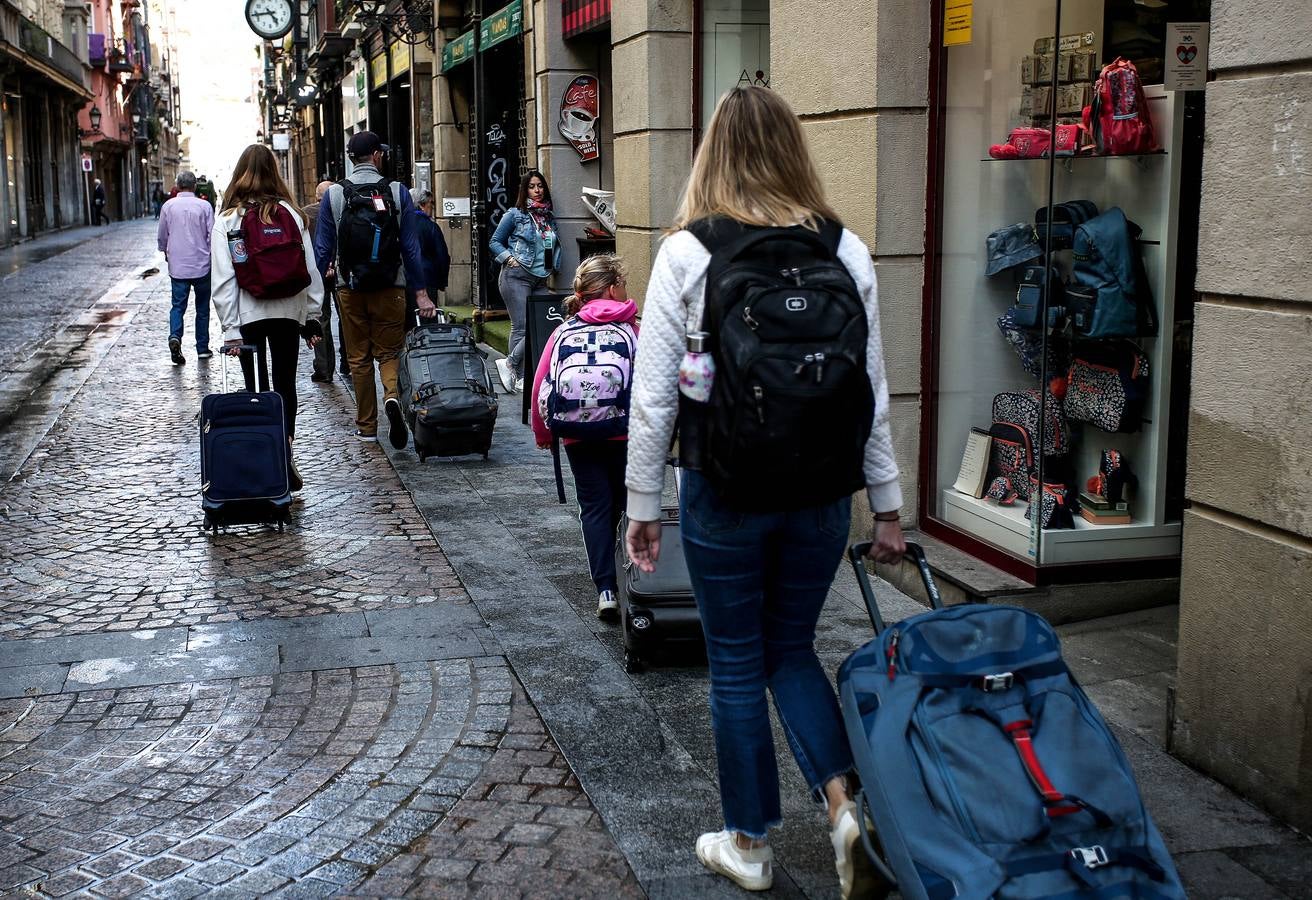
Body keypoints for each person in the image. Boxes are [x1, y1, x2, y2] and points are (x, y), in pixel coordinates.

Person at [623, 86, 906, 898]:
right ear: (795, 149)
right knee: (791, 648)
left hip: (725, 489)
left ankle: (748, 842)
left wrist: (644, 507)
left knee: (739, 663)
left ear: (712, 151)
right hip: (822, 492)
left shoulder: (689, 252)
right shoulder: (844, 249)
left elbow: (654, 400)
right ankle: (846, 807)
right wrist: (886, 504)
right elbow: (873, 392)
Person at [211, 144, 324, 493]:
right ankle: (285, 452)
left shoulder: (228, 220)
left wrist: (230, 329)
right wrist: (313, 316)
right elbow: (310, 269)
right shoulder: (290, 213)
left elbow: (224, 279)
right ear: (275, 172)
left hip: (250, 313)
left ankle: (265, 457)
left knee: (257, 389)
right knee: (285, 385)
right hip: (288, 311)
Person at [530, 254, 637, 620]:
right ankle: (630, 577)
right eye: (622, 283)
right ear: (611, 288)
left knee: (593, 506)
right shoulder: (630, 329)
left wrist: (544, 433)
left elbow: (541, 382)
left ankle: (605, 589)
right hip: (623, 431)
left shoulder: (564, 330)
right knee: (624, 504)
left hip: (577, 433)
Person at [313, 131, 437, 448]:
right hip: (391, 286)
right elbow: (410, 248)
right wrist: (421, 293)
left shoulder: (334, 195)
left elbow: (322, 249)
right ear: (377, 156)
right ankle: (391, 397)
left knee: (358, 358)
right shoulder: (397, 191)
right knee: (389, 353)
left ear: (352, 159)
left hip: (349, 288)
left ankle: (367, 426)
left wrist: (320, 287)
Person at [489, 169, 560, 393]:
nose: (537, 190)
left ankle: (513, 368)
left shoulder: (548, 216)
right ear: (524, 190)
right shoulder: (515, 214)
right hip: (516, 276)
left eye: (540, 186)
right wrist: (509, 259)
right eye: (532, 186)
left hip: (540, 278)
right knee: (522, 327)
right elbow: (495, 241)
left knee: (541, 325)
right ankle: (516, 371)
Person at [157, 171, 215, 366]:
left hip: (178, 265)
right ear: (195, 186)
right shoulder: (205, 206)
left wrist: (165, 250)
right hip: (202, 265)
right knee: (203, 309)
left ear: (178, 185)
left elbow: (162, 234)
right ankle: (202, 349)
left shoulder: (168, 206)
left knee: (177, 306)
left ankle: (175, 336)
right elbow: (211, 235)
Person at [302, 180, 340, 383]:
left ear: (316, 196)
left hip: (317, 272)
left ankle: (324, 369)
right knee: (347, 321)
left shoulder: (305, 213)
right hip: (341, 271)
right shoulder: (341, 209)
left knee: (321, 320)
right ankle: (350, 363)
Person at [406, 188, 451, 332]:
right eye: (430, 204)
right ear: (421, 205)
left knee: (407, 324)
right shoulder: (431, 226)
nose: (432, 208)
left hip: (403, 282)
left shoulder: (400, 224)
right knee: (426, 324)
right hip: (427, 281)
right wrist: (442, 281)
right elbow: (442, 256)